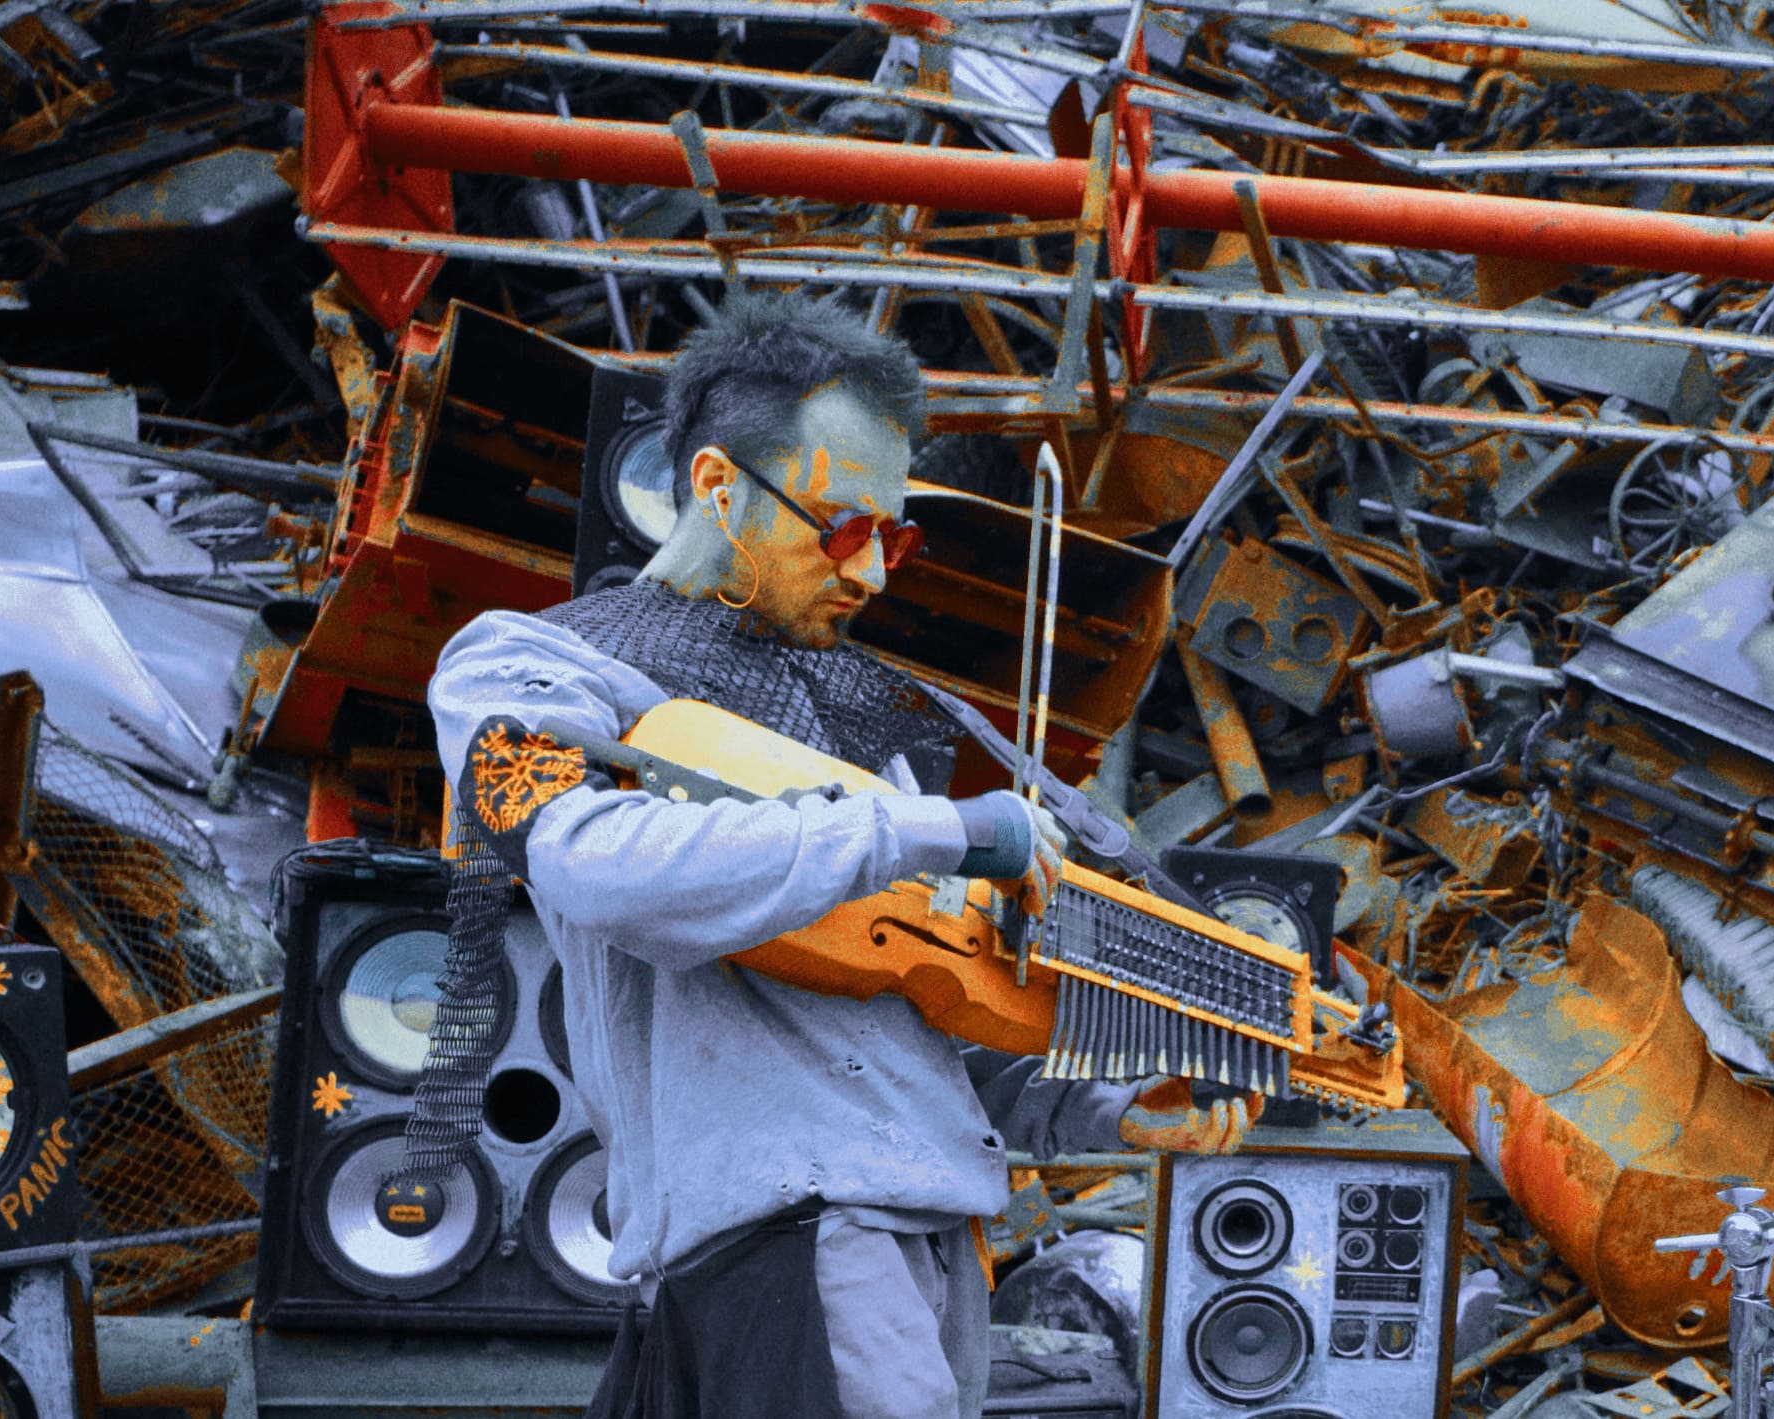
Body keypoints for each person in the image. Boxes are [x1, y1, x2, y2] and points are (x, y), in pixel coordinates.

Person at [428, 291, 1252, 1419]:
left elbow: (923, 1025)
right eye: (843, 528)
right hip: (795, 1231)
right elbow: (590, 858)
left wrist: (1110, 1113)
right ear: (717, 483)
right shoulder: (532, 665)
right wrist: (930, 828)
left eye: (894, 537)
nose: (875, 574)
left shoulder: (860, 734)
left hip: (931, 1240)